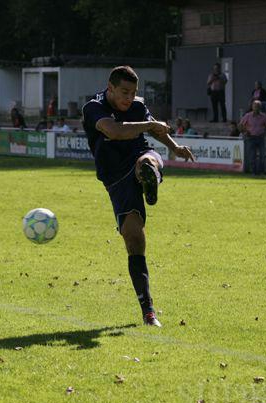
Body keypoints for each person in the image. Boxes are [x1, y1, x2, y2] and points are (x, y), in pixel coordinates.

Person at [81, 66, 195, 327]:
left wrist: (175, 147)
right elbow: (115, 131)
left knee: (146, 160)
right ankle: (148, 311)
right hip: (115, 178)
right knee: (134, 239)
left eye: (133, 93)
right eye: (124, 92)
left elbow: (155, 131)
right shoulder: (93, 108)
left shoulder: (138, 106)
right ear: (110, 88)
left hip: (138, 155)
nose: (129, 98)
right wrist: (149, 124)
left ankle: (150, 176)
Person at [239, 100, 266, 175]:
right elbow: (240, 125)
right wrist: (245, 132)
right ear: (252, 107)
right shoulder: (247, 116)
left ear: (260, 108)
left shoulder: (263, 116)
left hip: (260, 138)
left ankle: (261, 171)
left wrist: (264, 133)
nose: (256, 108)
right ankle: (254, 171)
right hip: (251, 138)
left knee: (262, 155)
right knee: (252, 156)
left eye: (258, 107)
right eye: (255, 106)